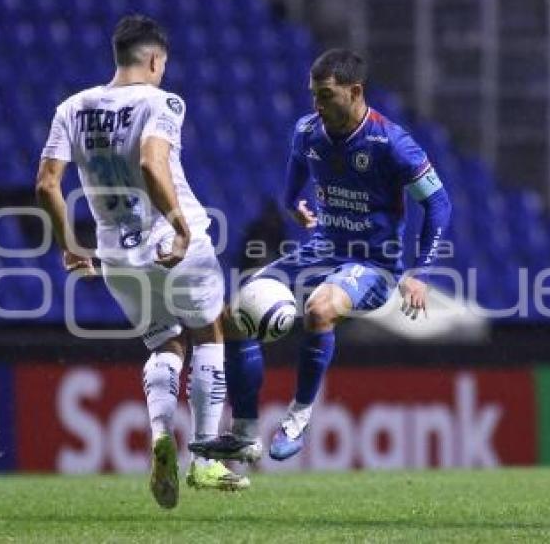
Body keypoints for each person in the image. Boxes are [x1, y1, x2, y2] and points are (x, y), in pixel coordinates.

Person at [190, 48, 452, 463]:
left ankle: (298, 415)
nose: (317, 104)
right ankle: (242, 433)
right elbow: (293, 182)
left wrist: (421, 270)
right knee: (234, 316)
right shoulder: (307, 132)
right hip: (321, 249)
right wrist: (294, 203)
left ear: (355, 92)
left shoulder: (393, 144)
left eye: (326, 95)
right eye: (313, 94)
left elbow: (438, 203)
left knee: (320, 308)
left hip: (373, 264)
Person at [35, 15, 247, 509]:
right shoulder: (162, 101)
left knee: (164, 342)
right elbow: (153, 163)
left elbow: (46, 183)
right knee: (211, 330)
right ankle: (206, 458)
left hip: (116, 254)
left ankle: (158, 435)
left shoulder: (73, 107)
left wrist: (68, 242)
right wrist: (179, 226)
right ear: (155, 60)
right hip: (173, 245)